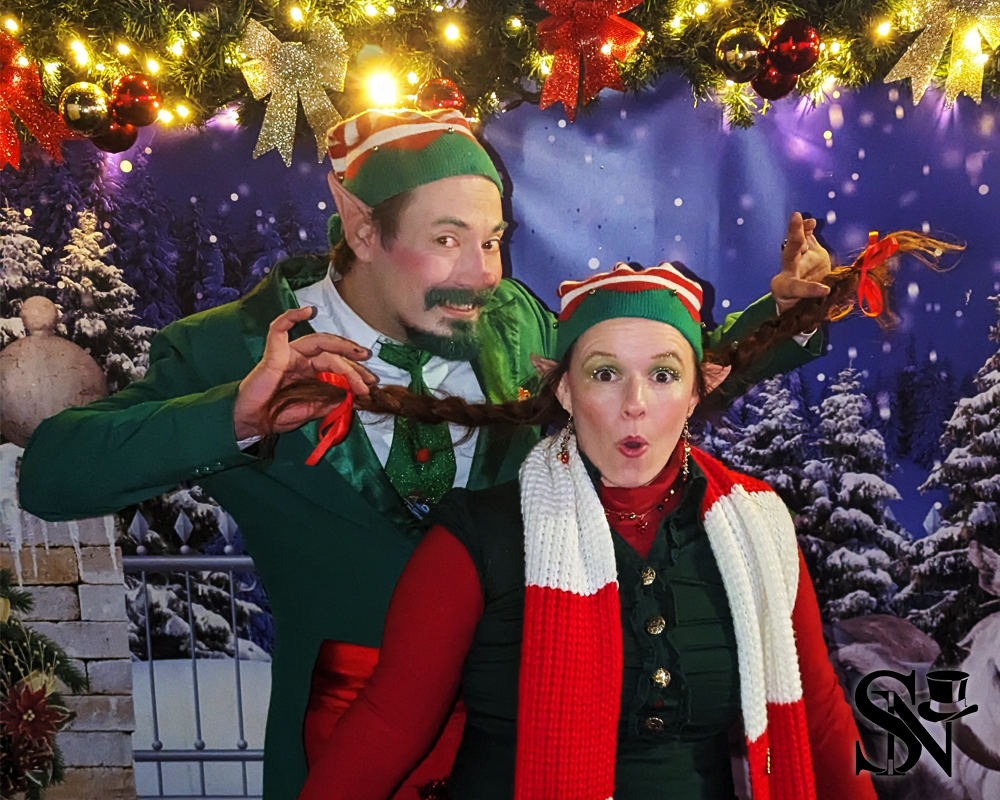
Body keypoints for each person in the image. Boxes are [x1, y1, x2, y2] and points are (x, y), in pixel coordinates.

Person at [18, 108, 833, 800]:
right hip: (343, 742)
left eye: (493, 241)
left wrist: (783, 320)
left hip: (522, 746)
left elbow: (635, 377)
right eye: (448, 239)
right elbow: (55, 474)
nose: (481, 275)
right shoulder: (229, 350)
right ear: (363, 228)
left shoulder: (513, 326)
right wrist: (232, 415)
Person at [293, 242, 953, 799]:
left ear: (696, 391)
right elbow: (388, 724)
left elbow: (818, 722)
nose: (635, 404)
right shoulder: (477, 539)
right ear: (564, 389)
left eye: (663, 375)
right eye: (605, 373)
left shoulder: (757, 529)